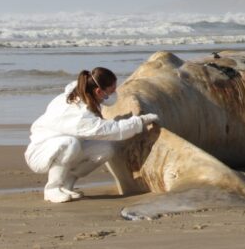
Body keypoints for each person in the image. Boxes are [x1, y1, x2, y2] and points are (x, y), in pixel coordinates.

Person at [24, 67, 159, 203]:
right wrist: (140, 121)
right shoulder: (78, 114)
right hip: (40, 153)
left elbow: (103, 128)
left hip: (63, 146)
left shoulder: (81, 96)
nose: (113, 95)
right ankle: (52, 188)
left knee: (106, 149)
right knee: (70, 144)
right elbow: (111, 130)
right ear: (98, 91)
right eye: (111, 91)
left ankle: (67, 182)